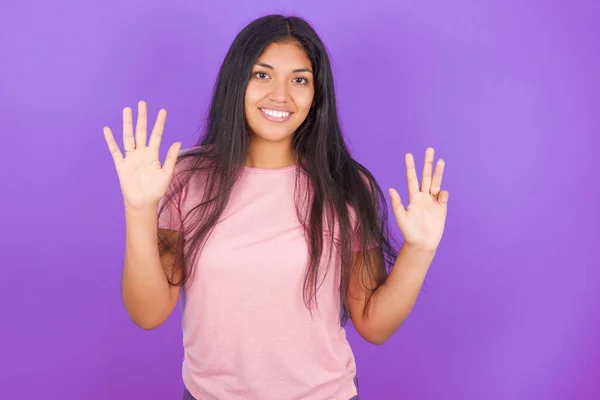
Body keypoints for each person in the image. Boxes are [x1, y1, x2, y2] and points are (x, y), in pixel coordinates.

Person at [103, 14, 448, 400]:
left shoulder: (346, 186)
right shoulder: (186, 177)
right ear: (238, 82)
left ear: (316, 96)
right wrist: (139, 209)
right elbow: (147, 314)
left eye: (299, 79)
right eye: (262, 75)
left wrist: (419, 250)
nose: (280, 95)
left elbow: (373, 324)